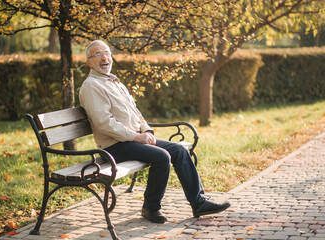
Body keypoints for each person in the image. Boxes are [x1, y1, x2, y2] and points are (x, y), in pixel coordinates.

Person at [79, 40, 231, 223]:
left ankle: (199, 203)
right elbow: (104, 123)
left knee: (179, 150)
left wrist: (146, 130)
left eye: (107, 53)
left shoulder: (114, 82)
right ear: (89, 62)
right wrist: (137, 136)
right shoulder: (92, 85)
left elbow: (135, 112)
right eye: (98, 54)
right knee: (162, 156)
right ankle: (150, 208)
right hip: (114, 146)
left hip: (133, 140)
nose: (104, 58)